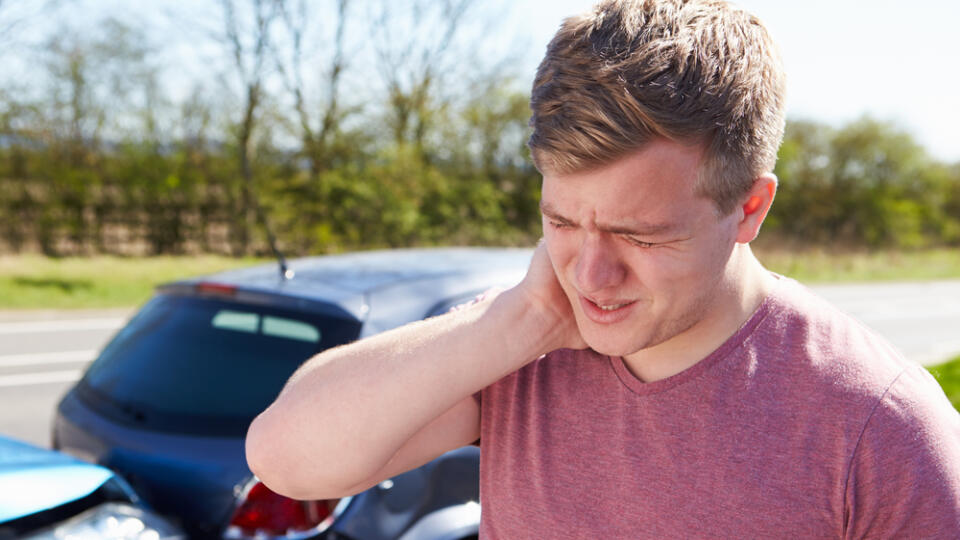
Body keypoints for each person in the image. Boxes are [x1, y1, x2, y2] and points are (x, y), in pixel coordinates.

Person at [246, 0, 960, 537]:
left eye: (638, 234)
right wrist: (518, 321)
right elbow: (284, 459)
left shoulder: (882, 427)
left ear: (749, 209)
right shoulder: (525, 347)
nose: (590, 276)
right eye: (561, 222)